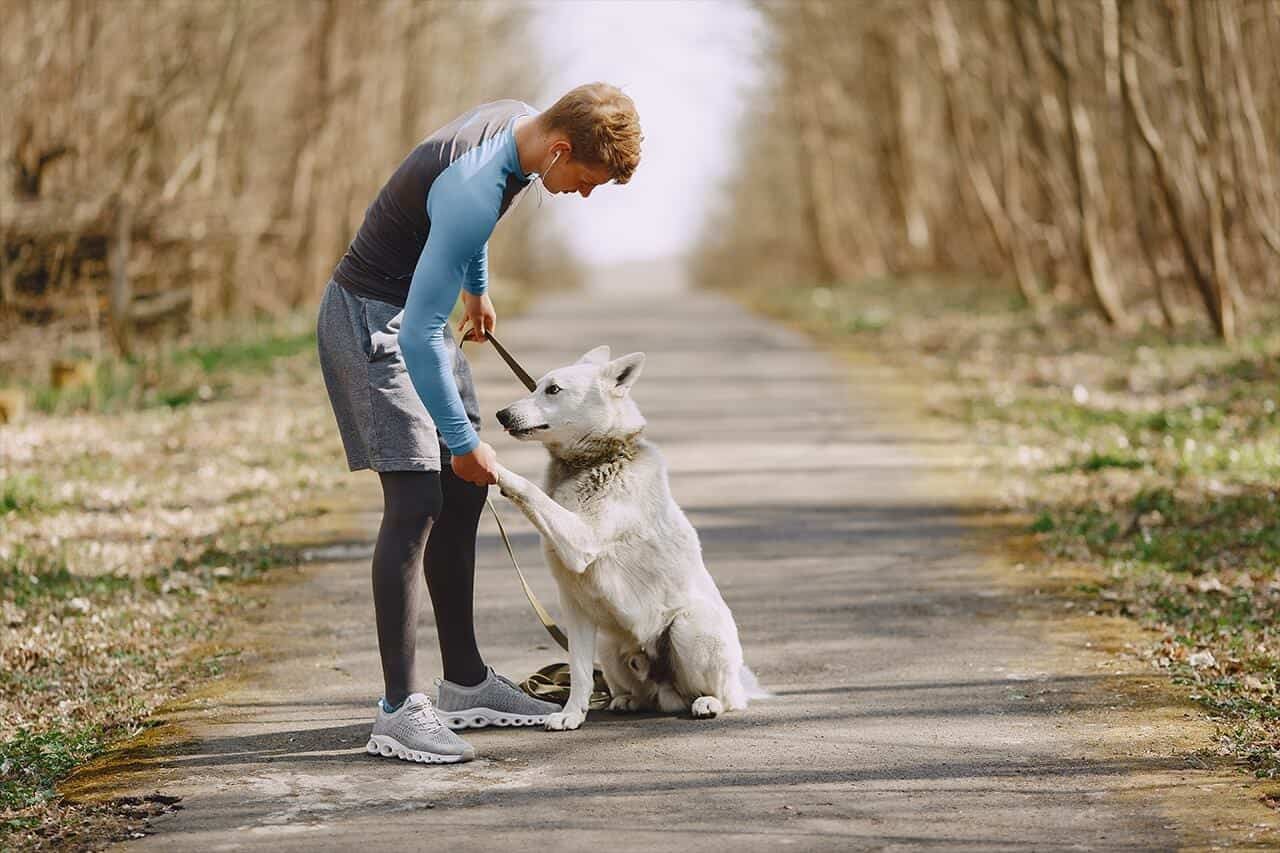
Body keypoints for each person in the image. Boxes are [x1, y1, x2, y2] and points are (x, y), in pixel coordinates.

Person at [316, 83, 642, 764]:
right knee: (416, 499)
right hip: (376, 322)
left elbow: (468, 229)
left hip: (420, 314)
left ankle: (465, 682)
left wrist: (477, 287)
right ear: (560, 150)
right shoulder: (475, 186)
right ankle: (398, 711)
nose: (585, 195)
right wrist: (463, 442)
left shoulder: (517, 126)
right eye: (588, 181)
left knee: (464, 490)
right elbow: (419, 329)